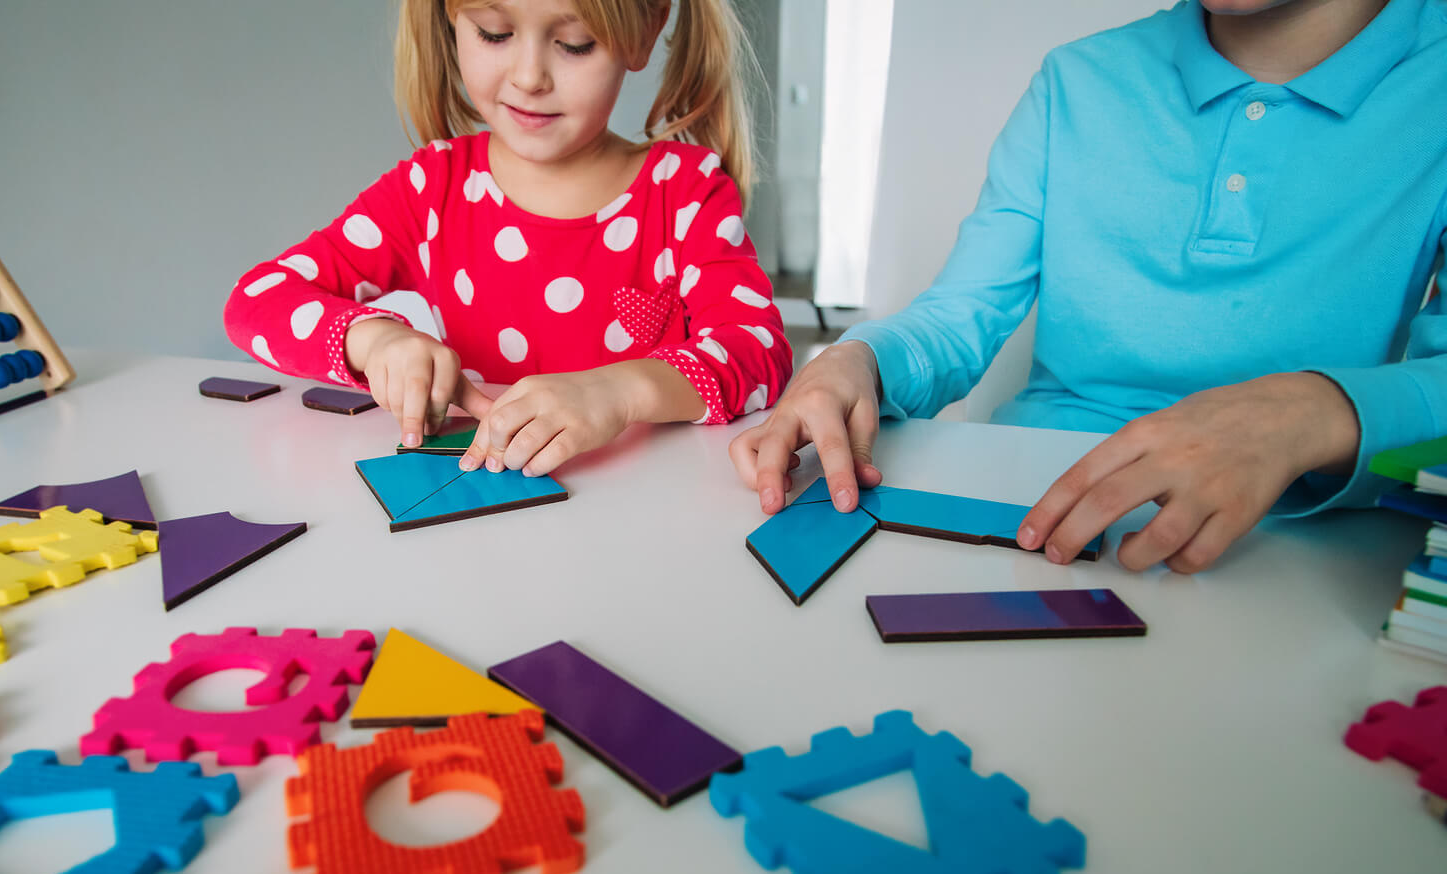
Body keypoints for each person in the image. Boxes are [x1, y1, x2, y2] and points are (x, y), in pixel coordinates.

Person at [730, 0, 1446, 573]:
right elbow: (959, 314)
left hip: (1297, 553)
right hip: (1025, 511)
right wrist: (859, 362)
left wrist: (1311, 411)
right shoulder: (1076, 79)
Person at [224, 0, 789, 478]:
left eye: (575, 43)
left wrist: (619, 393)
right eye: (494, 33)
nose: (529, 77)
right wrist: (374, 342)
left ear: (644, 31)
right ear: (452, 18)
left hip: (636, 520)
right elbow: (254, 302)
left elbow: (759, 351)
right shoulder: (432, 188)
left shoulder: (685, 193)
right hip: (478, 512)